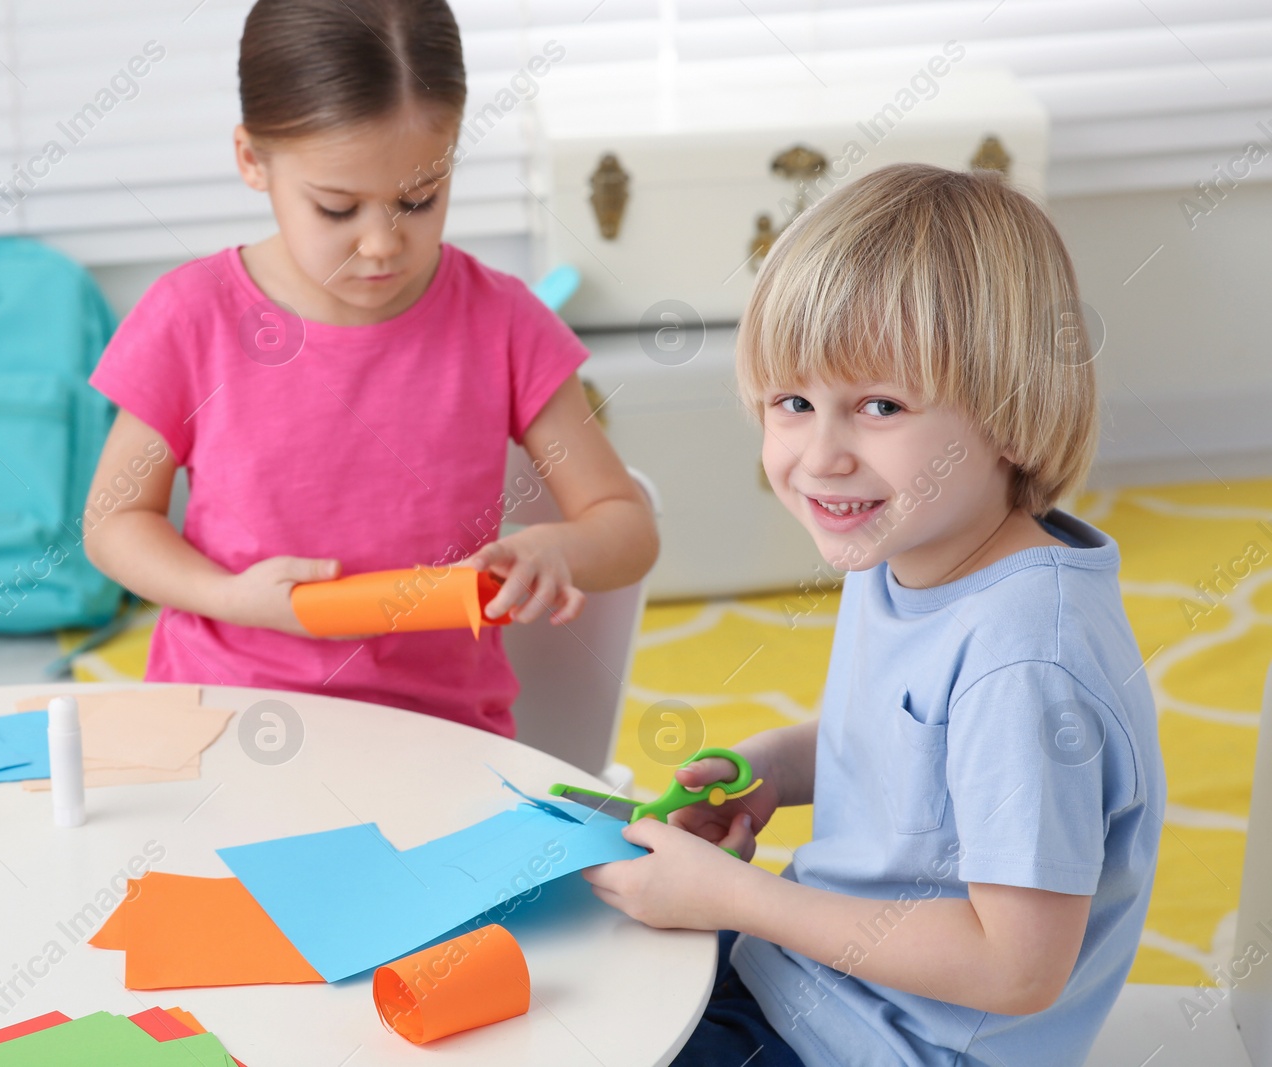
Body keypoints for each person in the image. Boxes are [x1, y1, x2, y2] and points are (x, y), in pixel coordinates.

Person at [584, 163, 1165, 1066]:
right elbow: (915, 746)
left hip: (884, 1046)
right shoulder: (911, 540)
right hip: (804, 980)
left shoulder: (1024, 660)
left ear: (1011, 414)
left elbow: (1018, 968)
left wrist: (732, 900)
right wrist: (776, 766)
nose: (822, 456)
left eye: (880, 407)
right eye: (794, 403)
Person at [81, 0, 657, 737]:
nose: (382, 245)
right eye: (336, 208)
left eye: (418, 199)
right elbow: (112, 520)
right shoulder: (191, 317)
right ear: (253, 160)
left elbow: (626, 524)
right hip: (220, 720)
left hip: (439, 735)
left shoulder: (505, 325)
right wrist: (231, 596)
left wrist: (559, 547)